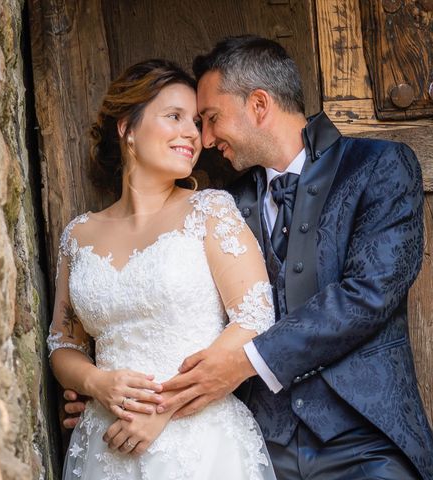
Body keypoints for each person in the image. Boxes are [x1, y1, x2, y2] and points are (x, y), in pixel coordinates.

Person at [152, 36, 433, 479]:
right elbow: (183, 309)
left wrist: (246, 361)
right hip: (262, 447)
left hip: (365, 441)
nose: (205, 140)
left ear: (259, 105)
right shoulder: (222, 206)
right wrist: (113, 387)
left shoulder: (381, 166)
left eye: (211, 118)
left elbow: (369, 294)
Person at [47, 59, 277, 479]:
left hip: (200, 444)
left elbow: (256, 319)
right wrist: (98, 384)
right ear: (127, 127)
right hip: (104, 445)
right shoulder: (78, 236)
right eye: (174, 117)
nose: (192, 133)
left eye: (196, 122)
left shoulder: (210, 211)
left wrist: (163, 408)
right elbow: (63, 344)